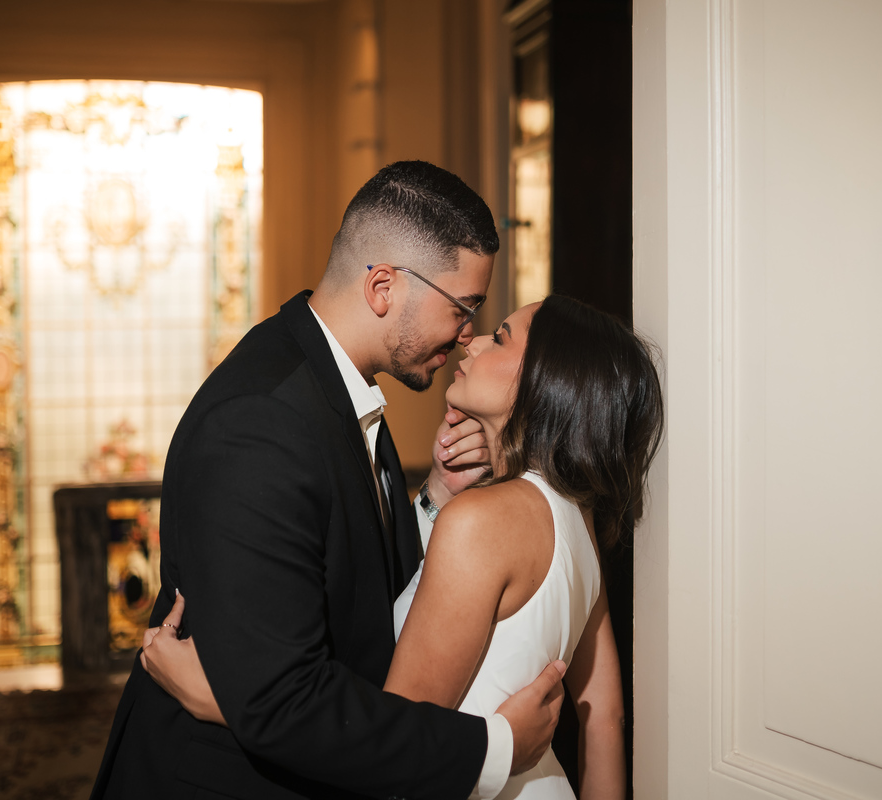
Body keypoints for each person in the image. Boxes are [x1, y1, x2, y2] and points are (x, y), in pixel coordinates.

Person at [91, 160, 568, 800]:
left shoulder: (335, 383)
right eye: (462, 308)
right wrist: (494, 747)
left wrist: (432, 499)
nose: (466, 337)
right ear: (382, 287)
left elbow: (350, 586)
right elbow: (283, 699)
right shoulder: (259, 422)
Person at [144, 295, 666, 799]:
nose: (474, 340)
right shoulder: (576, 513)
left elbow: (387, 757)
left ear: (545, 381)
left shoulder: (481, 523)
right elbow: (605, 717)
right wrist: (438, 494)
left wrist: (231, 702)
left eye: (502, 338)